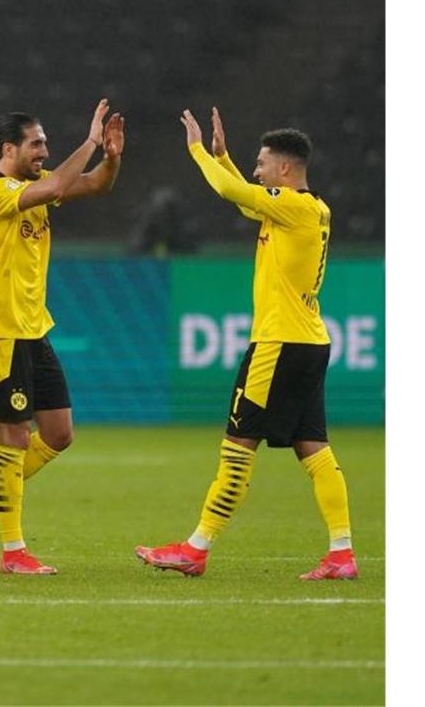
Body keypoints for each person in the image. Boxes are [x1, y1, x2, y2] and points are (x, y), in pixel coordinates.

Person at [135, 107, 356, 580]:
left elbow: (230, 191)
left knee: (238, 444)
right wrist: (227, 158)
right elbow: (247, 198)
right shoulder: (312, 208)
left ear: (284, 169)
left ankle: (196, 549)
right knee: (313, 447)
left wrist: (197, 150)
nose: (256, 171)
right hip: (310, 341)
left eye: (261, 164)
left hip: (277, 344)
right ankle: (341, 552)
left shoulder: (292, 207)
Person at [0, 102, 125, 574]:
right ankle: (15, 551)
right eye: (37, 143)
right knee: (14, 438)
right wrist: (87, 142)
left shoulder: (34, 189)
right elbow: (60, 183)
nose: (44, 151)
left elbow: (96, 185)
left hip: (33, 326)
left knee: (59, 433)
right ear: (9, 149)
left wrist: (109, 157)